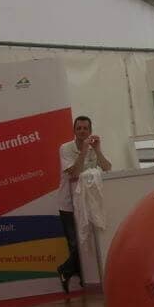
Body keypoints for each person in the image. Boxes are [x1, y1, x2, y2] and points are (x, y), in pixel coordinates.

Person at [56, 116, 111, 293]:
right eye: (79, 128)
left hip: (88, 204)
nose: (82, 131)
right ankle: (66, 270)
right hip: (68, 204)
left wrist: (98, 150)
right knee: (76, 244)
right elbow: (74, 173)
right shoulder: (65, 148)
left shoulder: (94, 148)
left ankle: (76, 275)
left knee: (88, 242)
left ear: (90, 130)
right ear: (74, 130)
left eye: (85, 128)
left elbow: (107, 168)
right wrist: (84, 150)